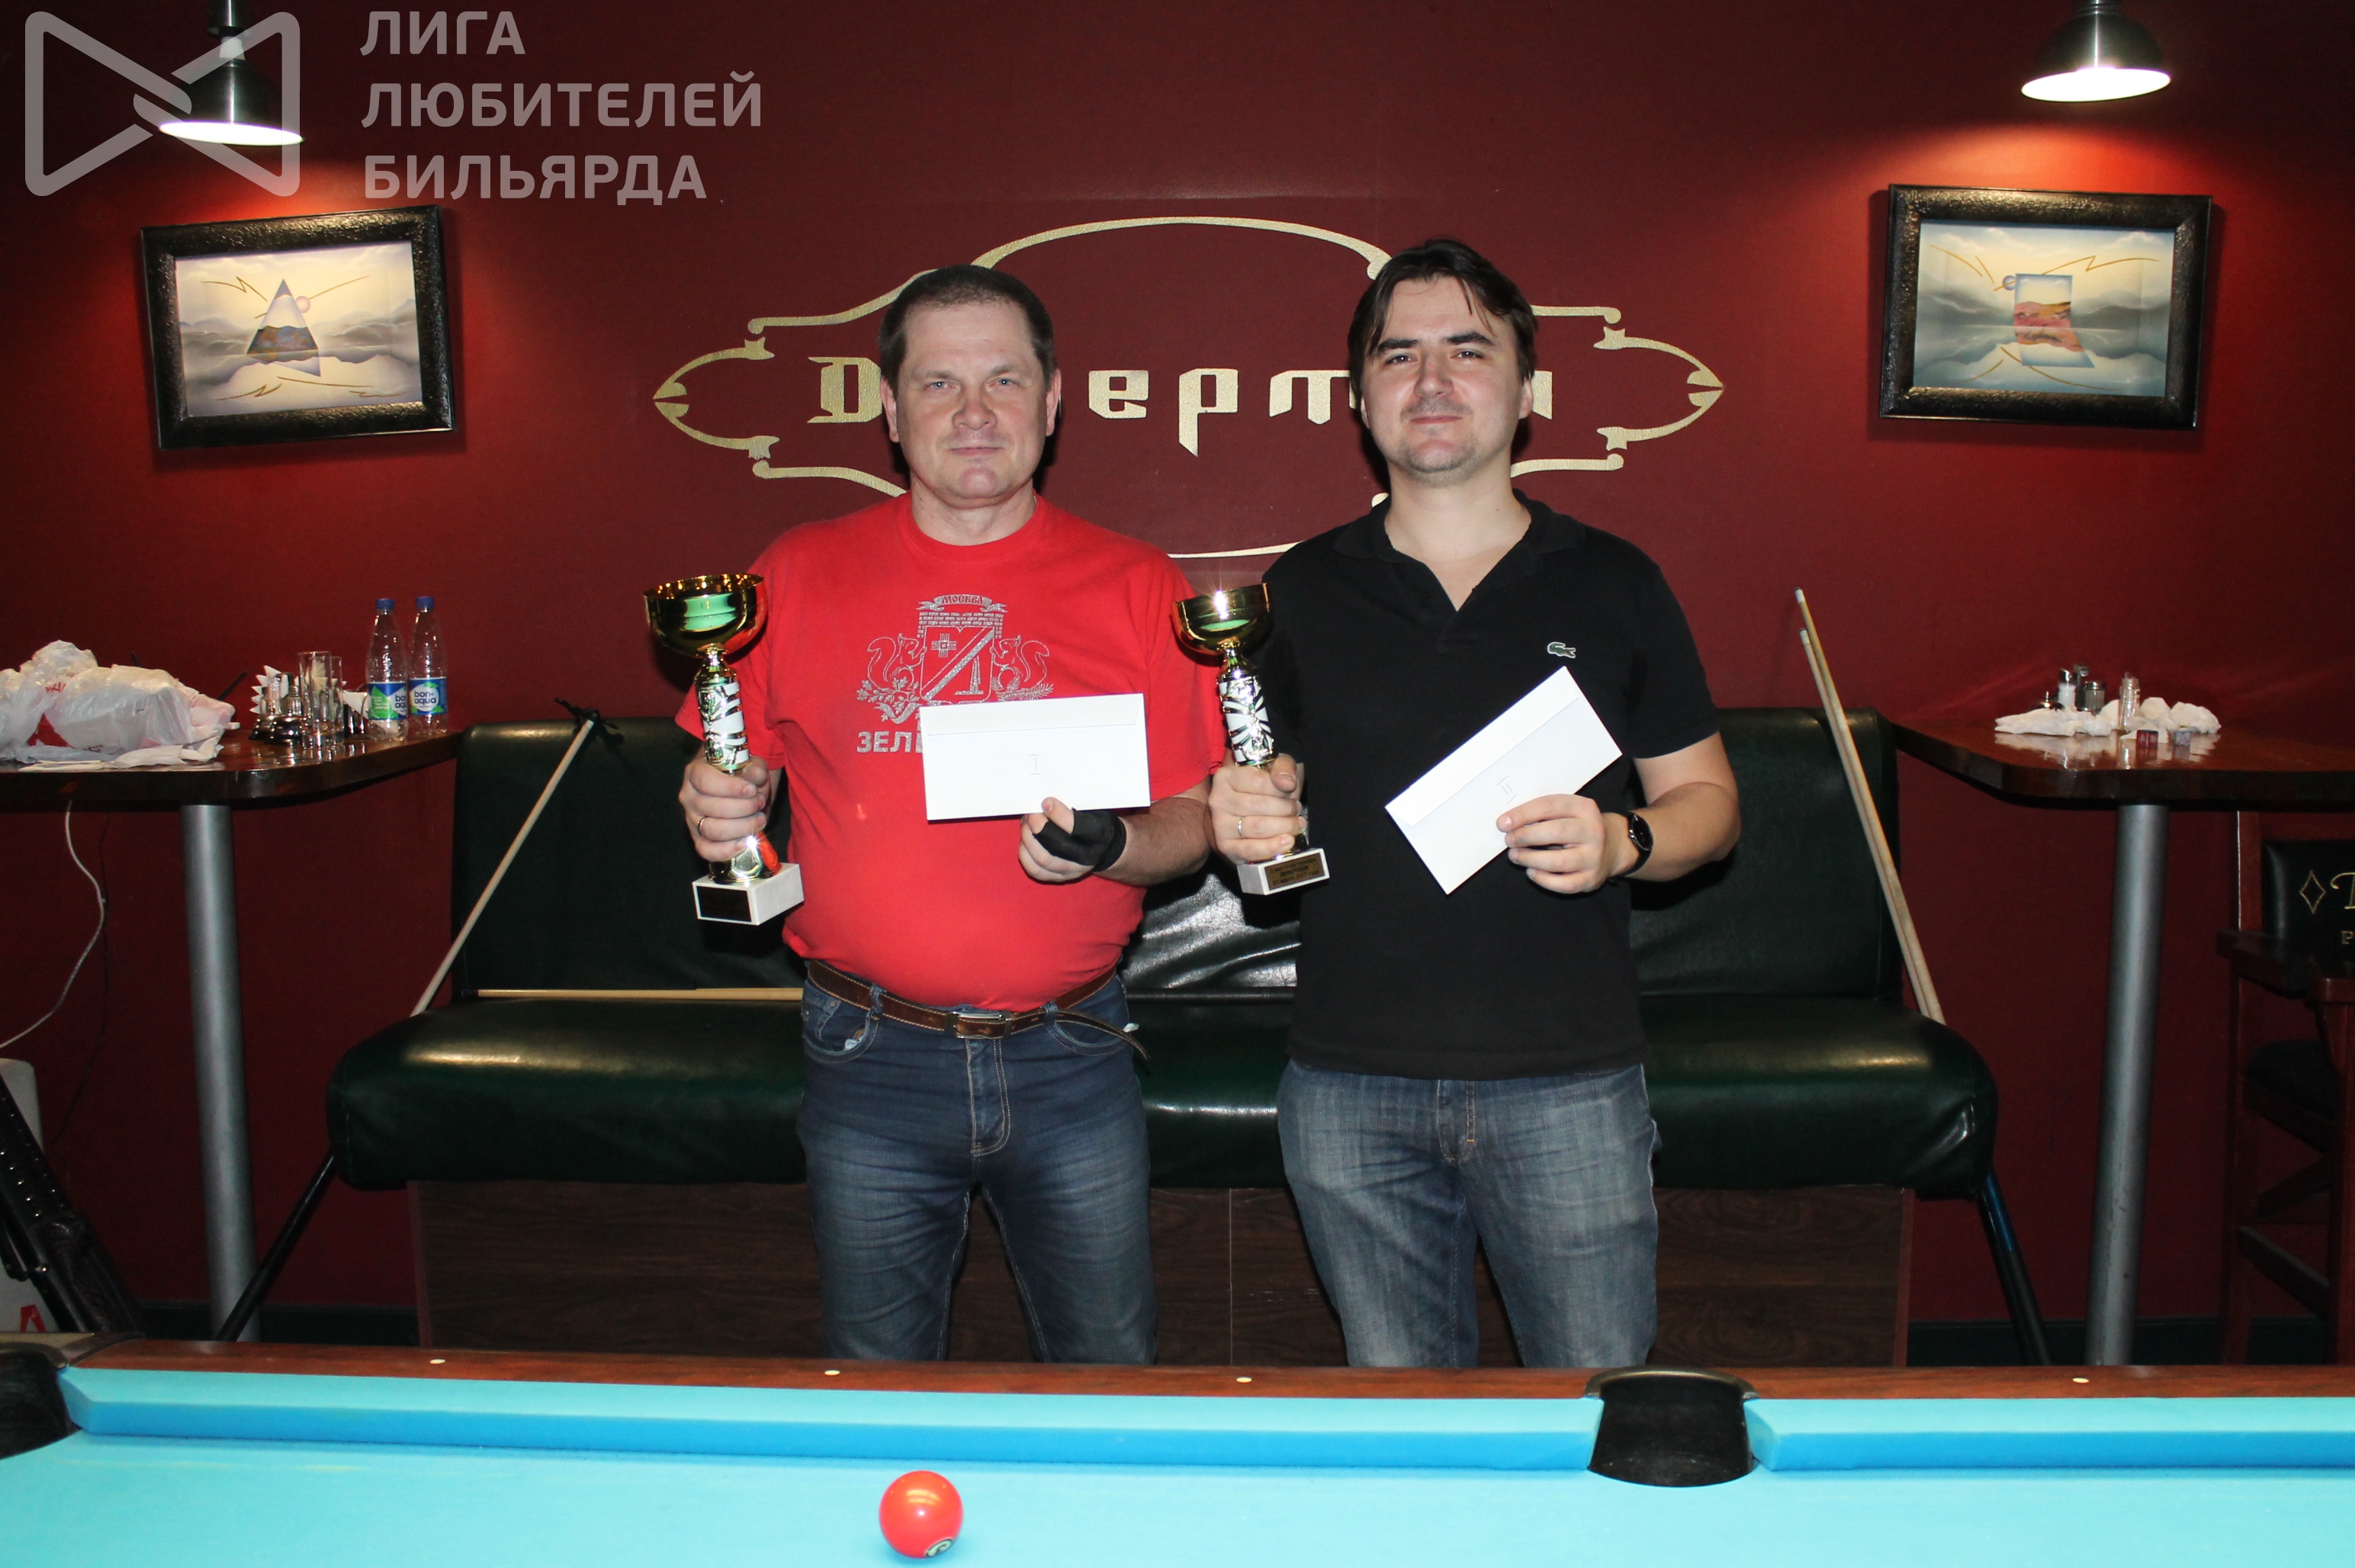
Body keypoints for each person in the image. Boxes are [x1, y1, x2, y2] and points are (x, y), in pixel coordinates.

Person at [1208, 239, 1741, 1368]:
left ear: (1527, 390)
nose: (1433, 380)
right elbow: (1268, 821)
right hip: (1349, 1085)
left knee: (1596, 1407)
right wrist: (1246, 823)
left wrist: (1624, 840)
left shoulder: (1616, 581)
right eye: (1398, 356)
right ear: (1360, 400)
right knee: (1405, 1437)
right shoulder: (1298, 590)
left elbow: (1709, 804)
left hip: (1569, 1085)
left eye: (1468, 350)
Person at [677, 265, 1223, 1364]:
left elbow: (1198, 817)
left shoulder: (1139, 584)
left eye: (1005, 380)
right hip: (866, 1054)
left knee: (1110, 1381)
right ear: (889, 409)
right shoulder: (795, 572)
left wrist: (1114, 846)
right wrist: (714, 797)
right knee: (875, 1386)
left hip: (1073, 1055)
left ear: (1054, 401)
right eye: (939, 383)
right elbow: (735, 770)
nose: (974, 413)